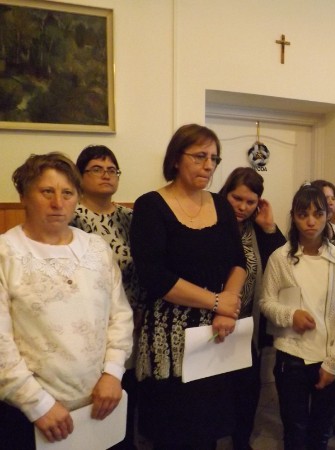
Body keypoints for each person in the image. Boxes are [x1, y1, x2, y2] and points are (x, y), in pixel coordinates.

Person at [0, 152, 133, 450]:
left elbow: (120, 316)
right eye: (47, 191)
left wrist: (113, 373)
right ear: (24, 196)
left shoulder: (96, 248)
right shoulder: (6, 253)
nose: (58, 203)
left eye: (68, 193)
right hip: (32, 413)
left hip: (101, 402)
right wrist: (37, 403)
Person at [130, 124, 245, 449]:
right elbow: (155, 277)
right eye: (200, 156)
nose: (208, 165)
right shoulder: (150, 205)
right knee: (172, 434)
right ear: (176, 159)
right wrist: (216, 302)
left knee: (208, 431)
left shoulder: (221, 205)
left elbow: (238, 262)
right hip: (169, 336)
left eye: (214, 158)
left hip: (215, 331)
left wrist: (227, 305)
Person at [260, 184, 335, 450]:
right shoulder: (280, 258)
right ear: (294, 217)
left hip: (329, 355)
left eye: (317, 214)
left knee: (321, 431)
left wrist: (334, 361)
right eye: (303, 215)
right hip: (291, 357)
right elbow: (266, 302)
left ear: (328, 216)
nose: (311, 222)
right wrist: (291, 315)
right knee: (295, 430)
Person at [71, 144, 142, 450]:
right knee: (95, 396)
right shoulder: (71, 216)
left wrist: (141, 309)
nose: (106, 175)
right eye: (97, 169)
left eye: (112, 170)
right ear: (80, 176)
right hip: (91, 322)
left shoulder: (132, 216)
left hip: (135, 318)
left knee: (129, 390)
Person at [218, 167, 286, 450]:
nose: (243, 207)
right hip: (211, 320)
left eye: (250, 202)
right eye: (237, 198)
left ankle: (241, 441)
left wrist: (269, 227)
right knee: (213, 391)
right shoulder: (210, 221)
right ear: (225, 193)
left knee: (247, 390)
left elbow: (283, 264)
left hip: (247, 325)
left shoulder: (256, 229)